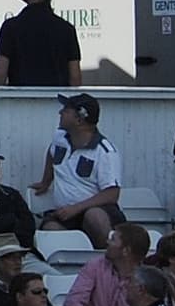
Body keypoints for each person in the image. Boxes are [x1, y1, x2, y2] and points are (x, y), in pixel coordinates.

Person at [29, 93, 124, 241]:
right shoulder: (59, 138)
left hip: (96, 211)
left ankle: (106, 260)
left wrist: (76, 208)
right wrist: (46, 181)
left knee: (94, 217)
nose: (60, 113)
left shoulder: (105, 151)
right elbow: (51, 152)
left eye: (66, 111)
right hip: (66, 214)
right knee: (50, 230)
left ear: (79, 120)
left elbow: (112, 194)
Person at [0, 0, 79, 86]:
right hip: (57, 101)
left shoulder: (11, 27)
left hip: (19, 101)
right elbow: (75, 77)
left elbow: (0, 73)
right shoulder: (67, 29)